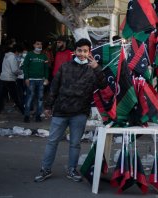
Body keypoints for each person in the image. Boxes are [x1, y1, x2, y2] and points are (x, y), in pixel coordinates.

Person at [34, 38, 107, 182]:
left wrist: (97, 68)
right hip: (61, 111)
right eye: (79, 50)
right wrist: (48, 106)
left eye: (85, 51)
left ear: (89, 52)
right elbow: (54, 87)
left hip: (80, 113)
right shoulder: (65, 67)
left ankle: (72, 170)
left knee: (75, 143)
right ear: (75, 51)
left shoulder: (93, 69)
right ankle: (45, 169)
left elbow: (104, 85)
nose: (82, 54)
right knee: (52, 141)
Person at [22, 39, 49, 122]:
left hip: (41, 80)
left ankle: (38, 116)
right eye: (37, 44)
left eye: (40, 44)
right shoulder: (29, 55)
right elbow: (25, 66)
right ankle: (26, 116)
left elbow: (46, 68)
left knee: (40, 98)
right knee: (29, 98)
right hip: (31, 80)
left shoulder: (44, 56)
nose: (39, 46)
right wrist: (26, 78)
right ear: (34, 45)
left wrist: (46, 78)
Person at [0, 44, 25, 115]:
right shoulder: (12, 57)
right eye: (19, 52)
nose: (20, 54)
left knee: (1, 96)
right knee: (16, 97)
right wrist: (22, 71)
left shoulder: (6, 56)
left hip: (3, 78)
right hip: (10, 79)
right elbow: (14, 70)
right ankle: (23, 111)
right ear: (17, 51)